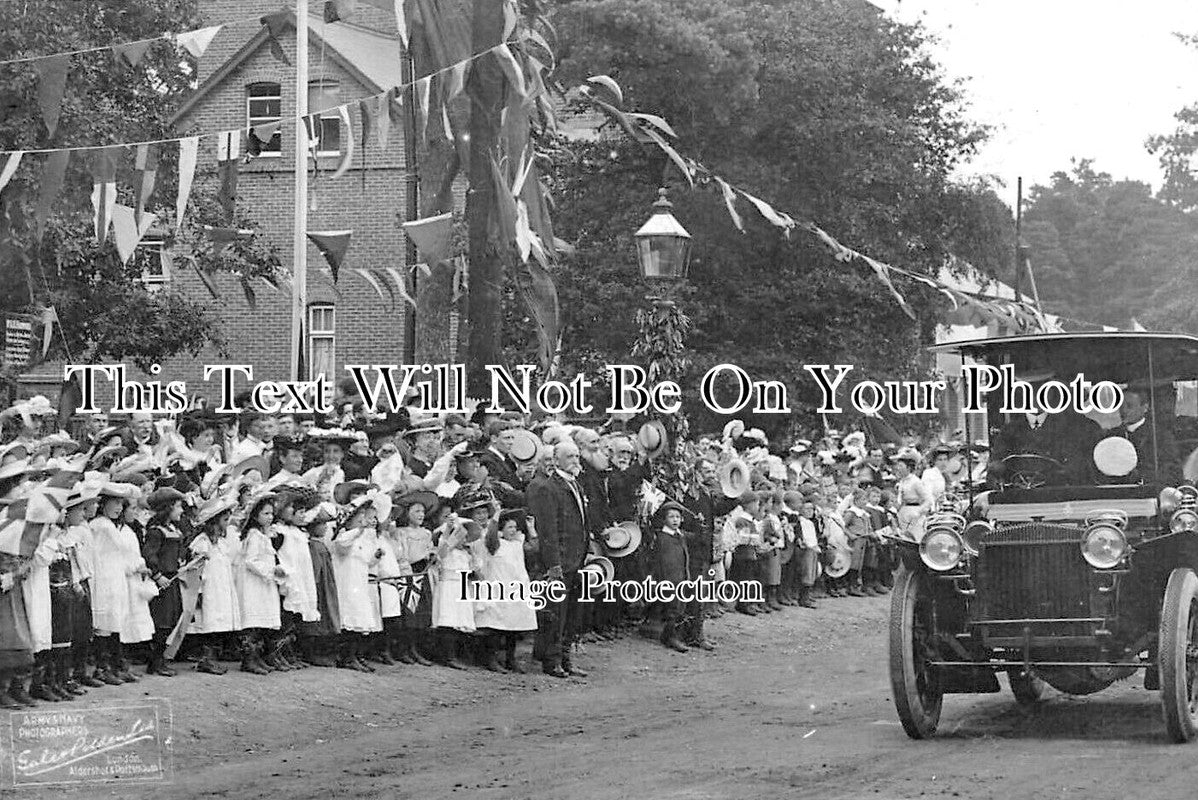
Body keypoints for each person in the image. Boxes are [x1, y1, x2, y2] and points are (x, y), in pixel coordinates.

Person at [527, 439, 591, 678]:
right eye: (570, 457)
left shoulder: (576, 484)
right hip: (560, 560)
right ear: (556, 460)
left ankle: (566, 656)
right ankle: (552, 660)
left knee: (573, 612)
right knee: (557, 612)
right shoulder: (548, 487)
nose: (576, 461)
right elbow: (548, 530)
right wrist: (553, 564)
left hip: (578, 557)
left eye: (577, 456)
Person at [473, 508, 538, 672]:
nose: (513, 530)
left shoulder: (517, 544)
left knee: (514, 625)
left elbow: (535, 549)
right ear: (501, 529)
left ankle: (511, 659)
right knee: (496, 626)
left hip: (516, 589)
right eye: (509, 527)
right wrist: (495, 518)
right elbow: (490, 537)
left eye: (515, 527)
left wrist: (531, 528)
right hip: (498, 589)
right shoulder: (495, 545)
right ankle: (491, 660)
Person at [1112, 389, 1181, 483]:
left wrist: (1143, 476)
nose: (1123, 410)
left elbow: (1173, 471)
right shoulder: (1112, 435)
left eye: (1129, 406)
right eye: (1121, 406)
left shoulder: (1160, 436)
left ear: (1145, 407)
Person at [892, 451, 933, 543]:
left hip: (914, 515)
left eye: (901, 466)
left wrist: (918, 512)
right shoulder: (902, 482)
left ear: (908, 467)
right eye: (898, 466)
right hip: (903, 514)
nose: (898, 468)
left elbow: (928, 500)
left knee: (914, 540)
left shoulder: (916, 482)